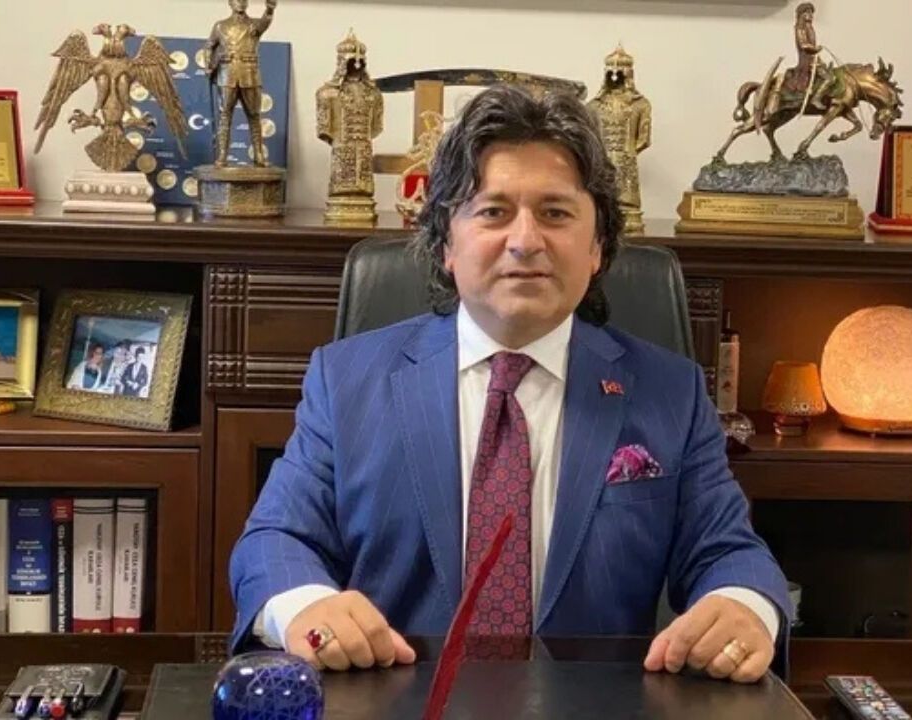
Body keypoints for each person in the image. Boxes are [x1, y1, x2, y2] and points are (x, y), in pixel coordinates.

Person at [229, 85, 789, 683]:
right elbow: (276, 539)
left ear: (597, 247)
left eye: (556, 213)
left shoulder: (669, 391)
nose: (525, 241)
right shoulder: (348, 381)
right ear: (446, 243)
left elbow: (729, 551)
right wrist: (306, 608)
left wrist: (743, 606)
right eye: (494, 212)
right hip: (395, 698)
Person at [204, 0, 277, 167]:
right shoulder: (220, 26)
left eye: (244, 0)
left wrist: (269, 9)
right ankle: (222, 155)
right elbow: (209, 46)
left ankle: (258, 155)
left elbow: (265, 22)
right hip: (227, 75)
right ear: (230, 3)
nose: (241, 3)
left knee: (254, 116)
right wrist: (208, 64)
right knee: (225, 116)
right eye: (237, 0)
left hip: (249, 75)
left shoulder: (254, 25)